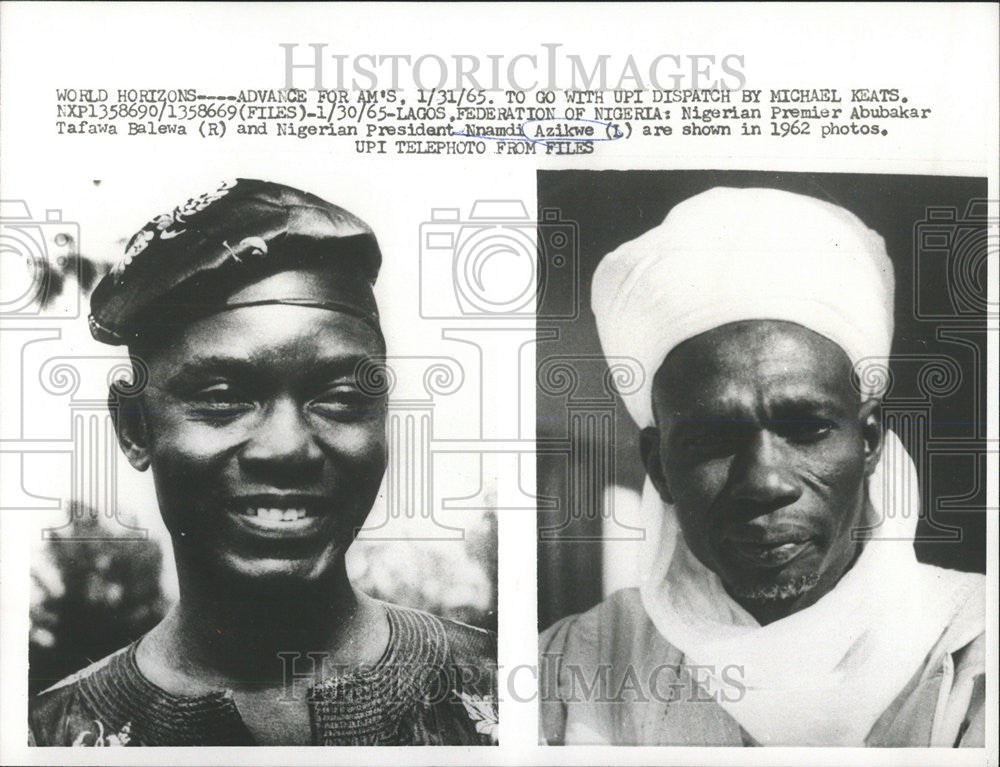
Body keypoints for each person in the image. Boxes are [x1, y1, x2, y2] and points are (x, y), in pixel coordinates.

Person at [29, 179, 497, 746]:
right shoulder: (50, 737)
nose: (287, 448)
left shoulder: (511, 695)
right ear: (134, 426)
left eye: (341, 399)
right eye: (224, 397)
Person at [539, 186, 985, 747]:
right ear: (658, 468)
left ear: (868, 441)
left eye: (807, 429)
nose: (764, 482)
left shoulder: (972, 649)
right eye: (711, 438)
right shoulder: (570, 670)